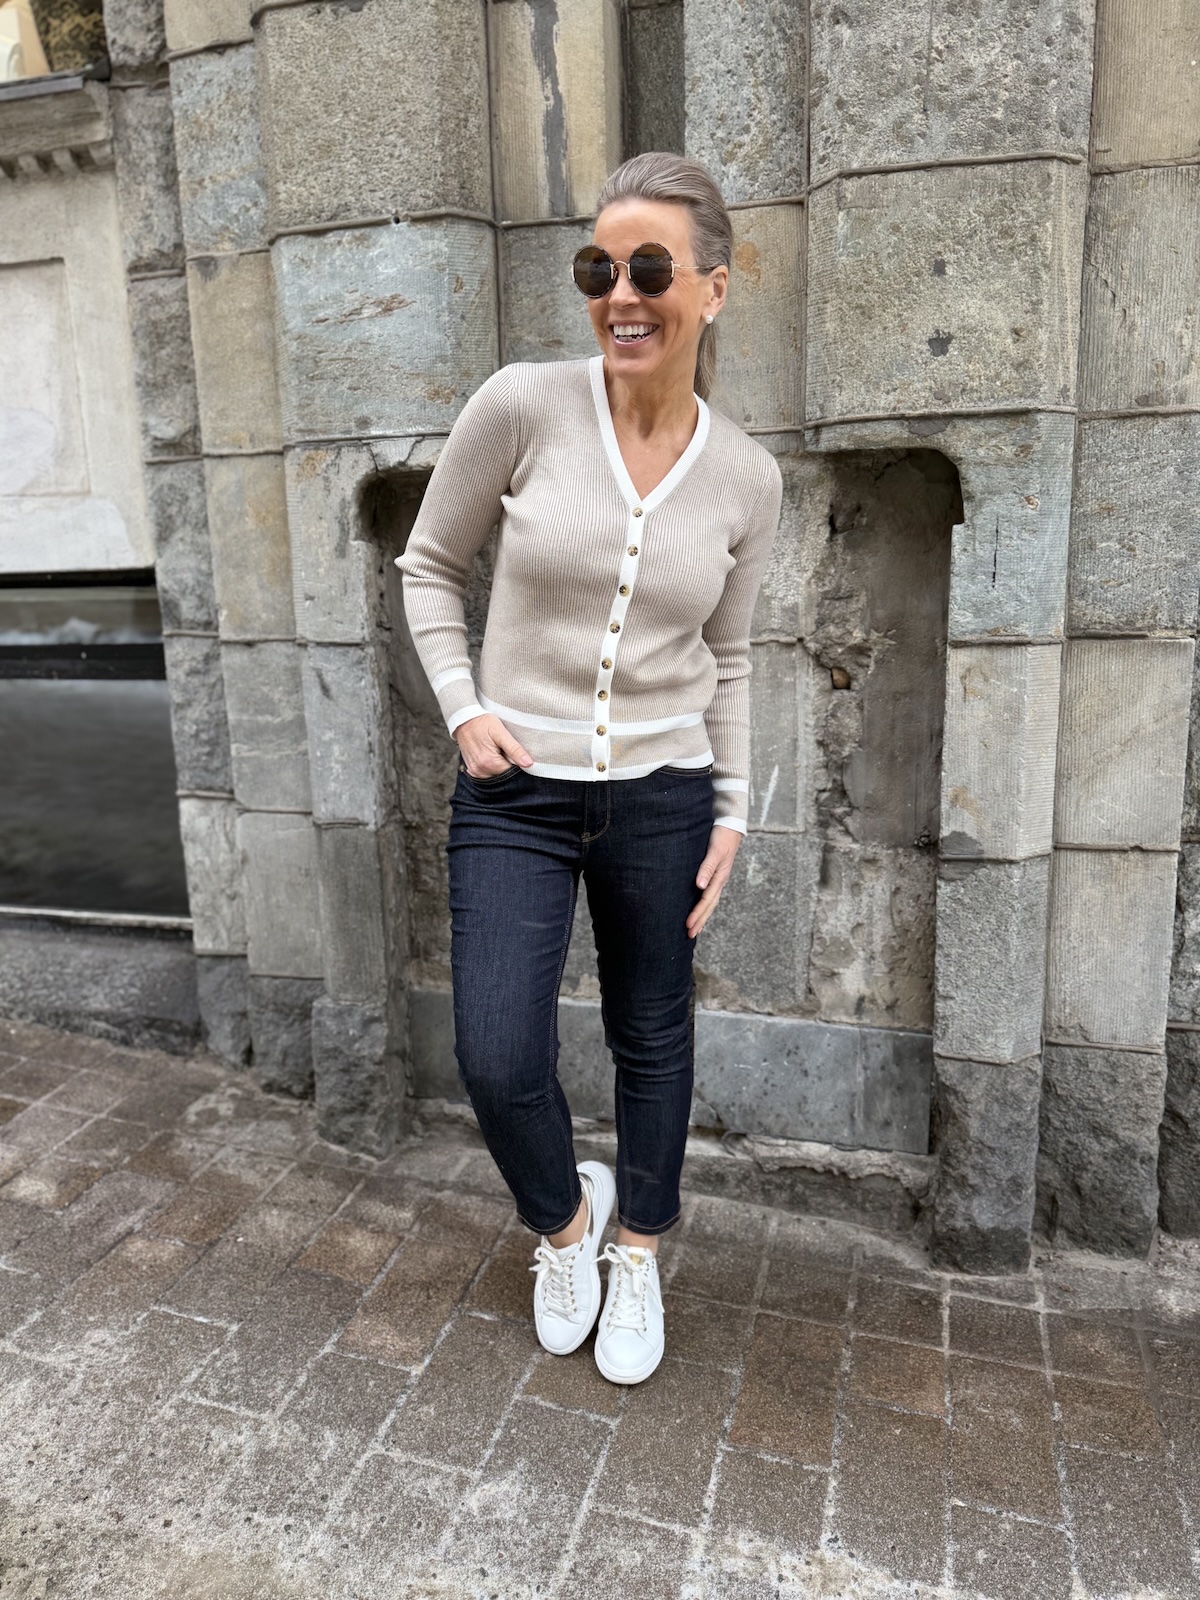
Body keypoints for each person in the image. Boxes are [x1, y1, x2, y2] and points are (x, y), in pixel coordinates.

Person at [396, 152, 782, 1386]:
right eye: (598, 268)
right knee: (496, 1052)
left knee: (651, 1033)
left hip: (665, 797)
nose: (622, 294)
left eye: (651, 268)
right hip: (513, 793)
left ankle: (641, 1250)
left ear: (714, 287)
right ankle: (567, 1226)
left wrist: (733, 814)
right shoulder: (522, 406)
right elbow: (428, 565)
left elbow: (733, 657)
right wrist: (464, 708)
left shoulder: (748, 478)